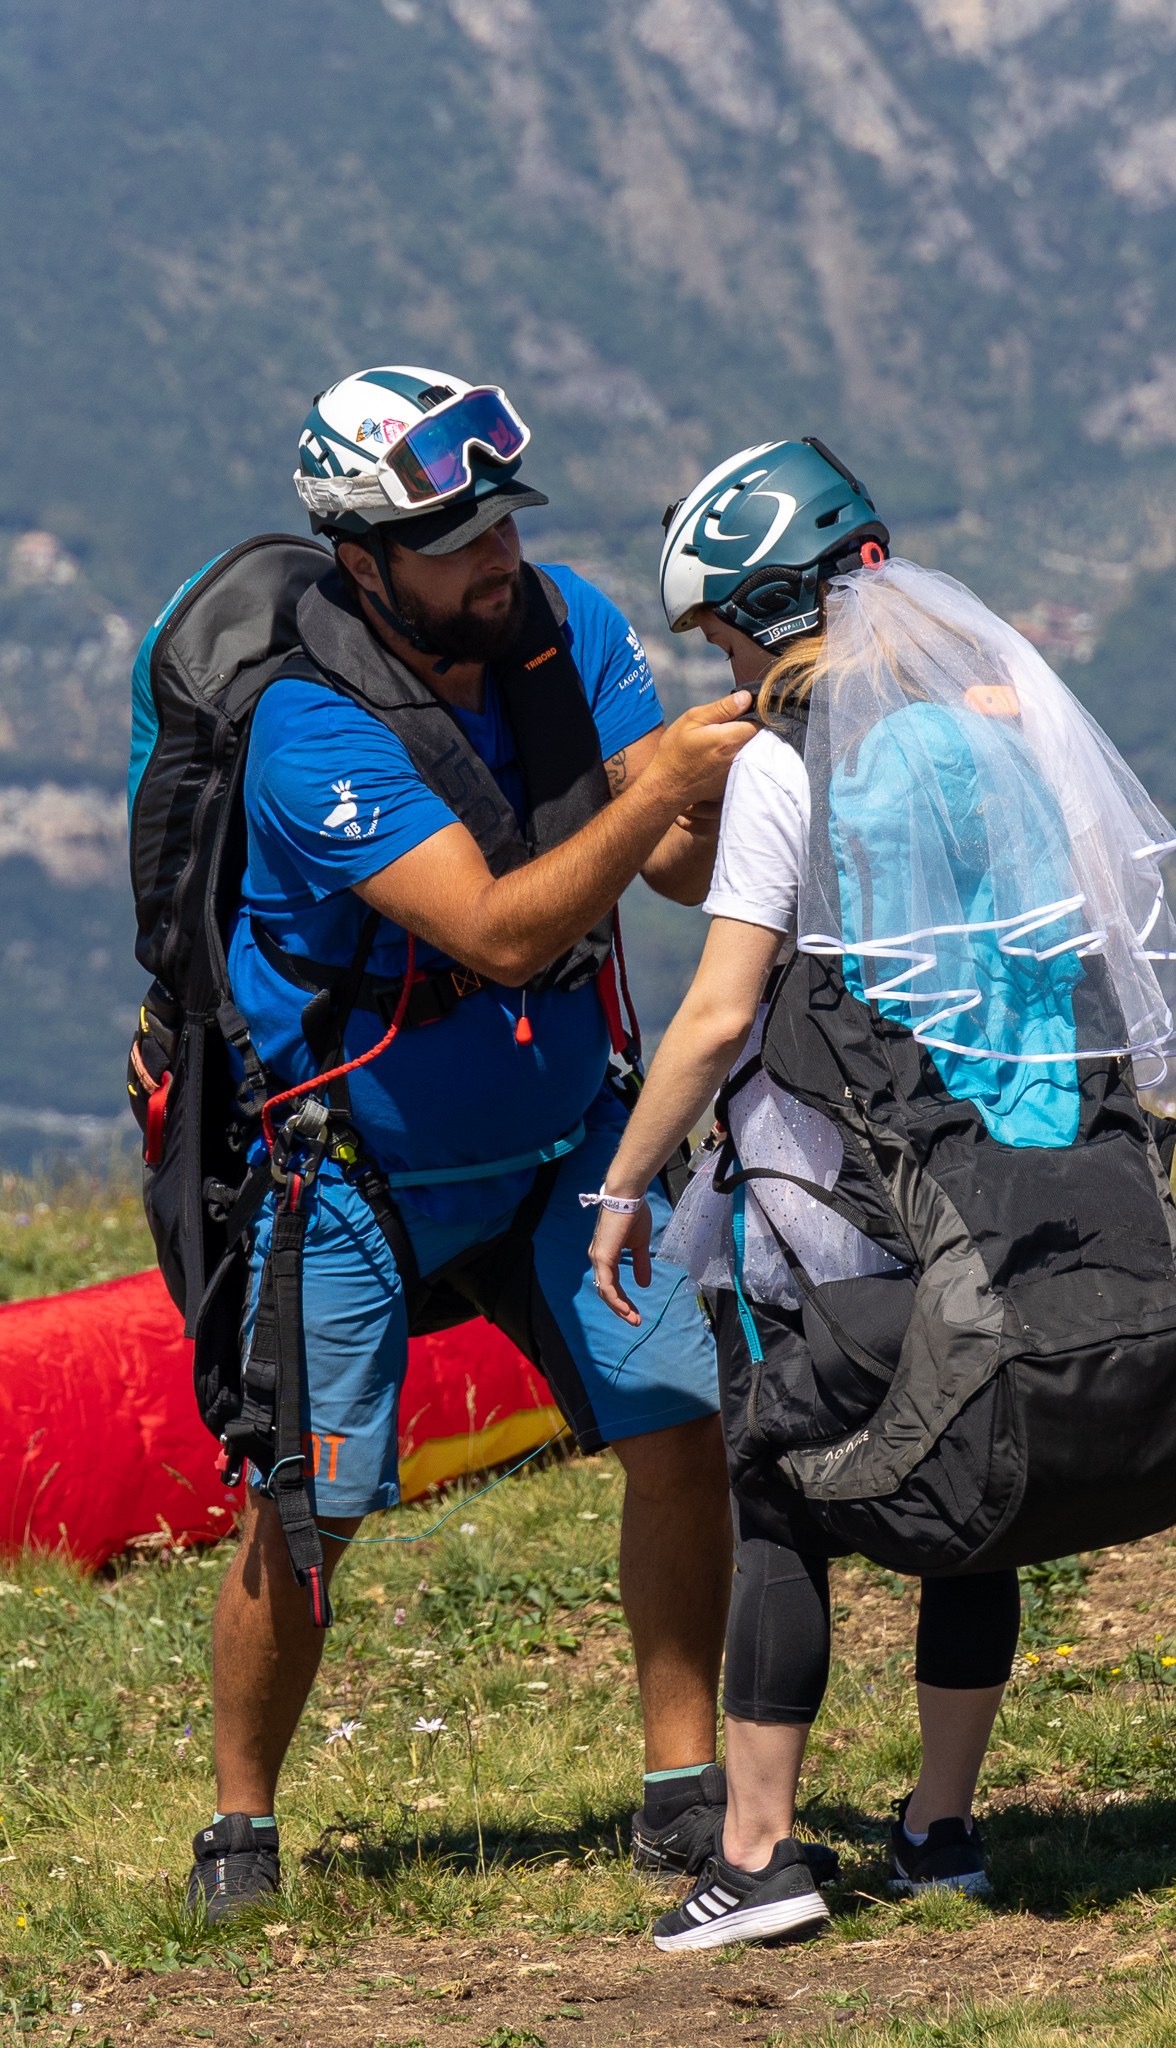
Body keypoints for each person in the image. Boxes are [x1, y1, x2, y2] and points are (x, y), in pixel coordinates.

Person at [588, 437, 1176, 1950]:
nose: (723, 665)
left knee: (775, 1495)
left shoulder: (789, 769)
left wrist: (622, 1189)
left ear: (767, 612)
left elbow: (723, 1015)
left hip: (834, 1207)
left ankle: (757, 1859)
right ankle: (941, 1830)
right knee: (973, 1496)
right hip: (1005, 1185)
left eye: (723, 632)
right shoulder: (1002, 736)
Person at [178, 367, 756, 1921]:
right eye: (455, 542)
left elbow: (677, 858)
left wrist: (719, 778)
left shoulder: (562, 624)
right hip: (352, 1165)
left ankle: (680, 1793)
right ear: (364, 563)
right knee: (314, 1505)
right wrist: (662, 801)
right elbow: (500, 934)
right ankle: (239, 1825)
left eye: (503, 521)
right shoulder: (311, 732)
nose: (497, 558)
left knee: (675, 1426)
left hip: (567, 1134)